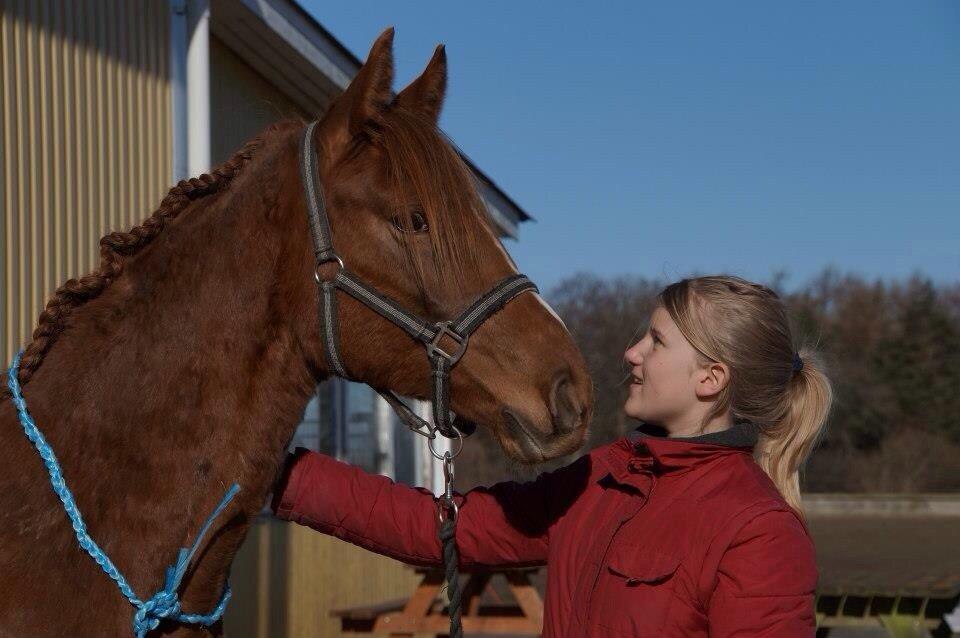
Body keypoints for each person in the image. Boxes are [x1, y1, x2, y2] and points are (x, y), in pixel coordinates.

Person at [271, 275, 833, 637]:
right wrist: (274, 473)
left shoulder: (760, 534)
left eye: (657, 342)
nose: (631, 352)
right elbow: (438, 528)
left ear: (711, 378)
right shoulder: (600, 479)